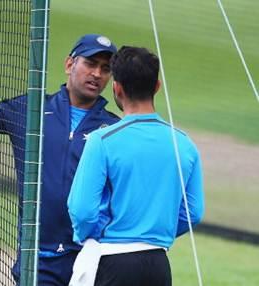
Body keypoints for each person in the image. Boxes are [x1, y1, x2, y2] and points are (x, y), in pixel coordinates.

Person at [0, 15, 120, 286]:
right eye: (90, 63)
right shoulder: (30, 110)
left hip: (89, 261)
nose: (97, 74)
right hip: (38, 260)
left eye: (105, 69)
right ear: (70, 64)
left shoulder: (112, 128)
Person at [67, 46, 205, 286]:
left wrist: (91, 236)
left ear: (116, 87)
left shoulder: (102, 140)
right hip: (158, 265)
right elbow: (193, 212)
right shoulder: (184, 144)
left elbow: (82, 210)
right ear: (157, 86)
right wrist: (151, 235)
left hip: (110, 261)